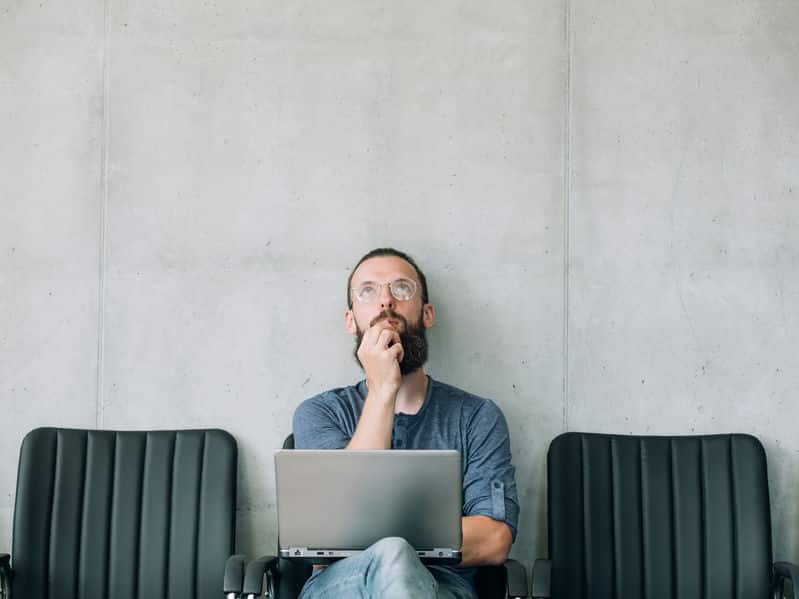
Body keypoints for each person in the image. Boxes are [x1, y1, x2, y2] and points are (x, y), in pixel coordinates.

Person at [293, 248, 519, 599]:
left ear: (427, 314)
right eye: (368, 291)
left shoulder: (477, 417)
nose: (385, 301)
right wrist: (383, 389)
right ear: (350, 320)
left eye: (401, 289)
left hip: (442, 588)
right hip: (341, 587)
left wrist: (385, 539)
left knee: (396, 554)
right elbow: (333, 537)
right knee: (392, 555)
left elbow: (494, 540)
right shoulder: (320, 413)